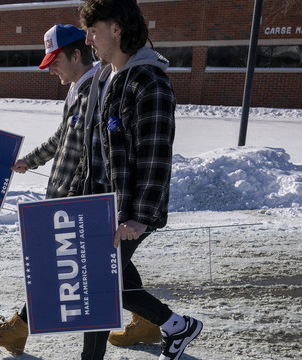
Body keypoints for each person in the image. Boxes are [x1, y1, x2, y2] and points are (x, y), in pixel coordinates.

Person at [72, 0, 203, 359]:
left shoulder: (149, 81)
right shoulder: (105, 75)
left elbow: (156, 154)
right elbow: (96, 146)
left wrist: (140, 216)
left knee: (97, 284)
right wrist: (76, 195)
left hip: (128, 209)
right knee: (111, 279)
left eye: (93, 30)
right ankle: (177, 326)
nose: (88, 40)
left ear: (117, 29)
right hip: (99, 204)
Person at [0, 23, 105, 356]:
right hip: (66, 198)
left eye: (55, 60)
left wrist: (70, 200)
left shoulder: (97, 92)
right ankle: (157, 320)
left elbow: (94, 155)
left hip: (78, 201)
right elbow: (62, 139)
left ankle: (18, 329)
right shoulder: (77, 90)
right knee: (108, 271)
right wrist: (28, 161)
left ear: (77, 54)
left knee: (55, 265)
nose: (51, 69)